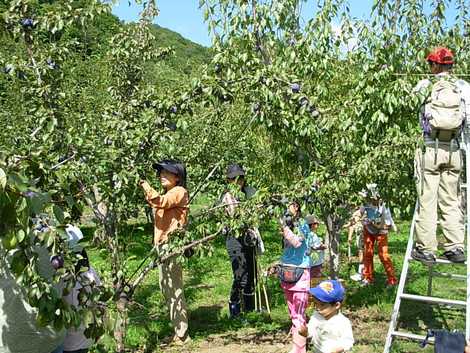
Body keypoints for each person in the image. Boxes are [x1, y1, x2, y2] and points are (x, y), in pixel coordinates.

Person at [412, 47, 470, 265]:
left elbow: (412, 109)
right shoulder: (464, 88)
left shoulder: (425, 86)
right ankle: (455, 247)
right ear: (451, 65)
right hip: (454, 149)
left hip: (430, 147)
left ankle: (426, 249)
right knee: (452, 200)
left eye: (430, 64)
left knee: (428, 199)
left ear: (435, 65)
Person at [139, 159, 190, 344]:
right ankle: (178, 330)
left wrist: (144, 185)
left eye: (166, 172)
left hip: (172, 246)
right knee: (166, 287)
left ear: (177, 177)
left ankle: (182, 334)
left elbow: (159, 202)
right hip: (163, 247)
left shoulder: (178, 192)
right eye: (161, 172)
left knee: (174, 288)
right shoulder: (170, 192)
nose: (162, 175)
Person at [279, 212, 323, 353]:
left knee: (298, 313)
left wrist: (285, 229)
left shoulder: (303, 226)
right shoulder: (288, 225)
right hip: (287, 271)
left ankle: (299, 349)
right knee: (293, 312)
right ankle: (299, 343)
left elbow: (297, 243)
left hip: (300, 273)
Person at [221, 163, 261, 318]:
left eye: (240, 178)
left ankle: (249, 310)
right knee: (240, 276)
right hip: (234, 239)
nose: (238, 182)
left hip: (249, 238)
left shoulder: (249, 193)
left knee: (252, 275)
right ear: (229, 180)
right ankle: (235, 308)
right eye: (234, 179)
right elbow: (234, 217)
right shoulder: (227, 197)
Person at [62, 225, 101, 353]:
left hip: (67, 343)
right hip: (85, 339)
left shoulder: (62, 279)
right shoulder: (90, 273)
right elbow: (99, 304)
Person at [356, 184, 397, 287]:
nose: (372, 201)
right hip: (368, 230)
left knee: (383, 255)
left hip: (381, 231)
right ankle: (368, 277)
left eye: (374, 198)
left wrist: (377, 224)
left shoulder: (384, 206)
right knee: (368, 253)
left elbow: (386, 224)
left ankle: (392, 279)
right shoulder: (366, 203)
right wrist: (357, 218)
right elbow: (360, 213)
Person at [299, 280, 354, 353]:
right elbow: (311, 331)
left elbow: (348, 341)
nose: (317, 307)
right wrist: (305, 332)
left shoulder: (343, 322)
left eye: (322, 305)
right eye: (315, 303)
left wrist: (339, 348)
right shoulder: (316, 315)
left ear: (336, 305)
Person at [344, 207, 364, 282]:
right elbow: (351, 225)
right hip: (360, 233)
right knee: (361, 251)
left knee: (362, 252)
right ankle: (362, 272)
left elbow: (352, 224)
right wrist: (349, 236)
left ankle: (362, 273)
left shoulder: (361, 210)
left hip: (363, 233)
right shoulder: (354, 212)